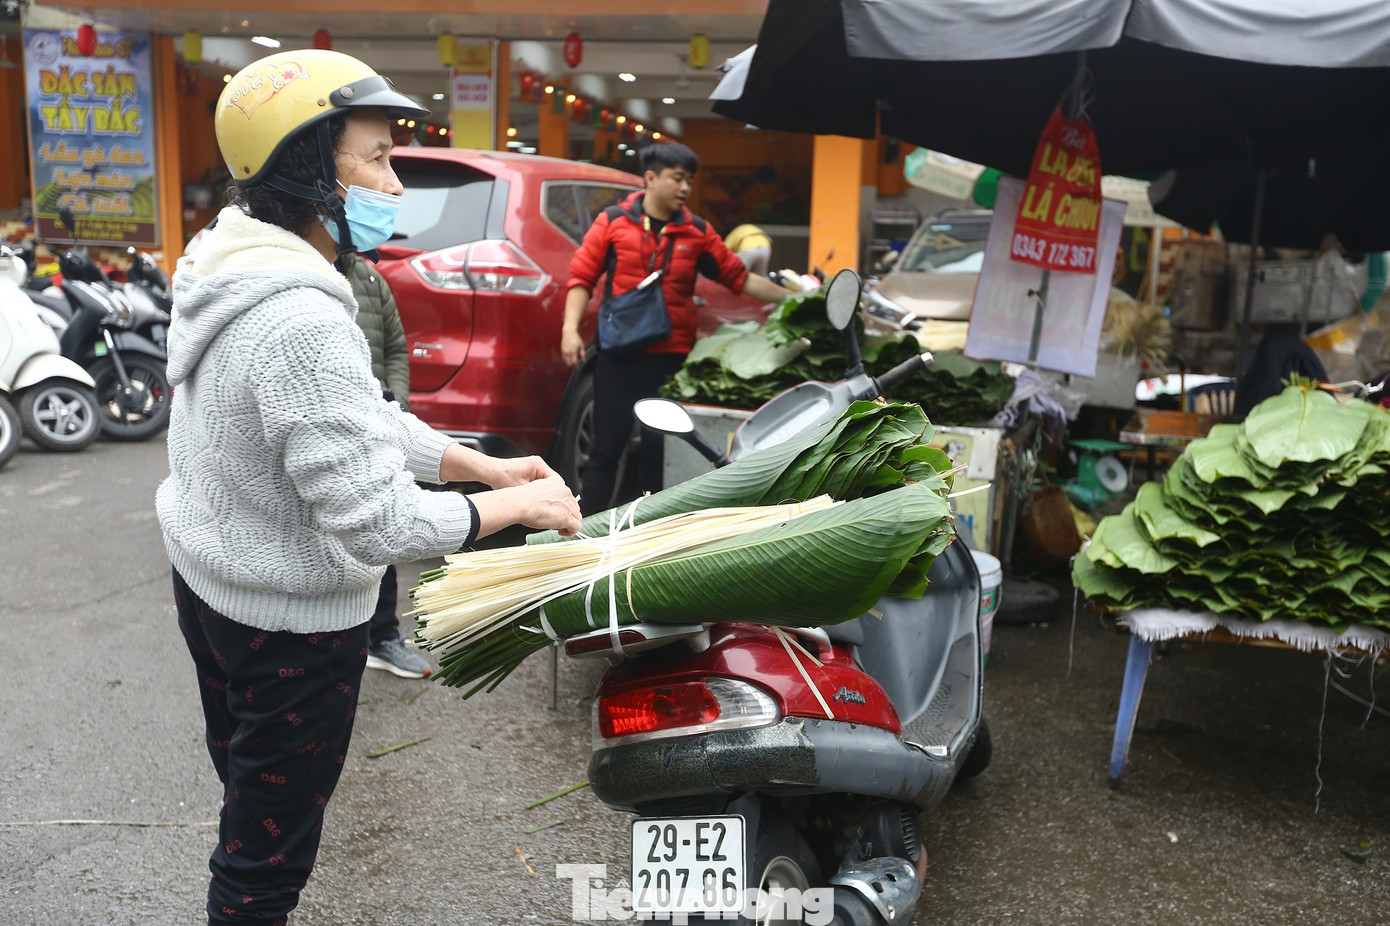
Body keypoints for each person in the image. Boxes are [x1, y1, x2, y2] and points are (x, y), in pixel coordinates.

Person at [157, 49, 581, 925]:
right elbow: (377, 521)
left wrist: (482, 464)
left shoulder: (230, 263)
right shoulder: (301, 316)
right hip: (288, 628)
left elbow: (359, 418)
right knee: (263, 865)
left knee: (247, 795)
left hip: (214, 583)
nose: (395, 181)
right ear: (308, 165)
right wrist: (522, 506)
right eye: (378, 158)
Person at [560, 142, 792, 515]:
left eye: (689, 180)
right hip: (617, 356)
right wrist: (570, 329)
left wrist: (792, 297)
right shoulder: (613, 221)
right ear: (651, 179)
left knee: (661, 449)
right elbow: (581, 276)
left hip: (670, 360)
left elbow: (739, 278)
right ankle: (584, 530)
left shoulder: (697, 231)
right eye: (677, 178)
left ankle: (651, 533)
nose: (685, 187)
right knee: (607, 448)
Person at [342, 253, 430, 678]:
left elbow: (395, 347)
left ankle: (383, 637)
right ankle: (346, 639)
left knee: (381, 536)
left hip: (377, 430)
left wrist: (396, 399)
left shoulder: (371, 279)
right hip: (333, 432)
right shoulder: (302, 277)